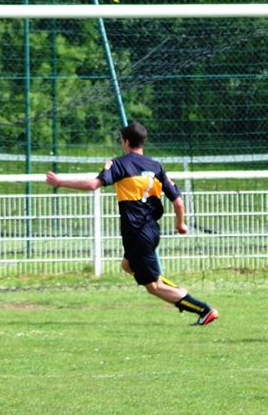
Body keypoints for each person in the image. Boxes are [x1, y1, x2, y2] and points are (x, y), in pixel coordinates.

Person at [46, 121, 219, 326]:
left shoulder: (118, 164)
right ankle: (178, 294)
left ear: (126, 142)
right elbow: (178, 202)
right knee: (127, 265)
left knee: (153, 287)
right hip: (151, 230)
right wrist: (180, 225)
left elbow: (93, 184)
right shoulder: (157, 167)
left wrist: (60, 182)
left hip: (137, 233)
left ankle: (202, 309)